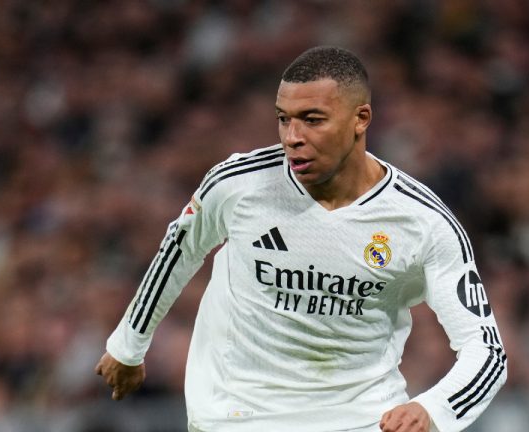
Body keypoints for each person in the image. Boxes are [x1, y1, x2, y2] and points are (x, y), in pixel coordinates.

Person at [95, 46, 507, 432]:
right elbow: (179, 251)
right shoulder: (239, 184)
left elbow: (486, 352)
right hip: (236, 416)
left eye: (312, 120)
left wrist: (432, 409)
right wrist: (129, 345)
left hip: (358, 420)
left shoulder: (422, 222)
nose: (292, 136)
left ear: (361, 119)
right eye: (283, 118)